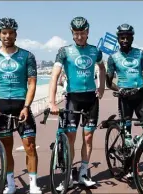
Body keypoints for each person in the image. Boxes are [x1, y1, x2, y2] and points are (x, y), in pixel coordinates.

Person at [0, 17, 41, 194]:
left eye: (10, 32)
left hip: (21, 105)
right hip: (1, 106)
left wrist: (26, 106)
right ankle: (11, 184)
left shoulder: (27, 56)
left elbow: (32, 82)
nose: (7, 35)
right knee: (6, 147)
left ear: (16, 34)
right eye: (4, 33)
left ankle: (33, 184)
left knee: (30, 145)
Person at [48, 16, 106, 189]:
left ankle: (82, 173)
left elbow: (102, 68)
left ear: (88, 32)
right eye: (76, 33)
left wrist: (101, 87)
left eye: (82, 33)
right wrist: (52, 102)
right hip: (73, 99)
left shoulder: (95, 51)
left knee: (88, 137)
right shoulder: (64, 51)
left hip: (91, 99)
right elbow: (54, 76)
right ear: (72, 34)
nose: (79, 36)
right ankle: (67, 176)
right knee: (70, 138)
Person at [106, 23, 143, 178]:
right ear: (118, 39)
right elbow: (109, 82)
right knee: (126, 135)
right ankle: (127, 167)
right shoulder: (113, 58)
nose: (125, 40)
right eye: (122, 37)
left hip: (140, 97)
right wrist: (119, 89)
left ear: (132, 38)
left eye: (128, 37)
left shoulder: (141, 54)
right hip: (124, 99)